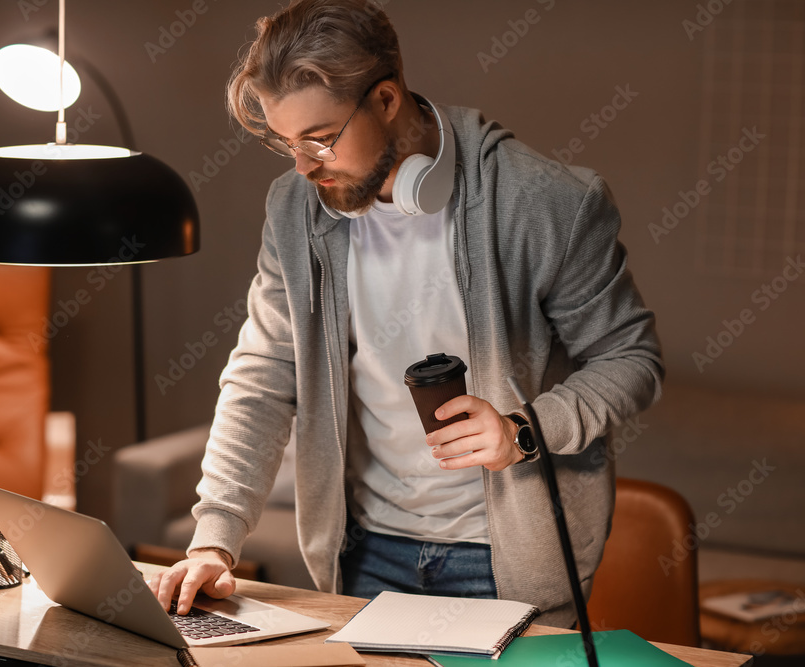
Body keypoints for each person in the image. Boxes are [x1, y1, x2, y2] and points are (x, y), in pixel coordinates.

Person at [150, 0, 663, 628]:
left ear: (387, 99)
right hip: (361, 552)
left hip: (505, 560)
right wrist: (214, 537)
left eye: (319, 139)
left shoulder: (545, 203)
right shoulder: (296, 209)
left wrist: (523, 430)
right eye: (286, 143)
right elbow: (263, 375)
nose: (304, 167)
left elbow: (631, 359)